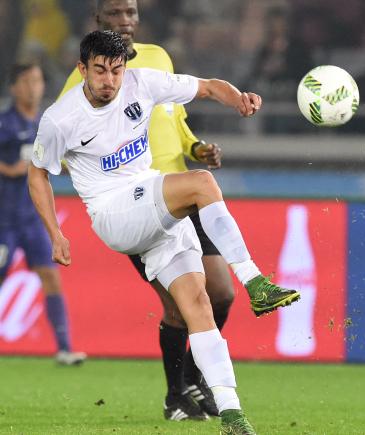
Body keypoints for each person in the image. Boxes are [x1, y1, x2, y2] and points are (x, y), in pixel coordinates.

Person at [29, 30, 300, 435]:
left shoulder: (142, 82)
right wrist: (55, 232)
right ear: (81, 69)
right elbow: (38, 174)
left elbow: (208, 88)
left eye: (116, 70)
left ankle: (232, 414)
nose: (109, 81)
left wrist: (239, 99)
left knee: (200, 307)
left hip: (153, 211)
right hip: (113, 213)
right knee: (202, 183)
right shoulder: (60, 118)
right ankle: (256, 282)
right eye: (100, 71)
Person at [58, 0, 232, 420]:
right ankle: (176, 398)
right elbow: (64, 150)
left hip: (183, 191)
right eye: (116, 13)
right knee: (177, 307)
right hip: (140, 206)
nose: (126, 22)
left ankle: (192, 378)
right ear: (98, 19)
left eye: (131, 13)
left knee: (222, 293)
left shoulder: (158, 58)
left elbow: (174, 116)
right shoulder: (79, 82)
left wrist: (195, 147)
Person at [0, 62, 86, 366]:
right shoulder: (4, 123)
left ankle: (64, 348)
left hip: (32, 218)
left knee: (50, 276)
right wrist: (8, 169)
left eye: (37, 81)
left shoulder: (46, 122)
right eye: (25, 81)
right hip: (3, 220)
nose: (32, 87)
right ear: (13, 87)